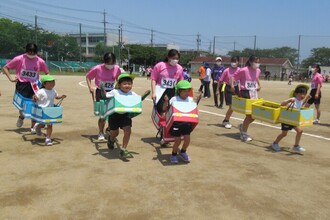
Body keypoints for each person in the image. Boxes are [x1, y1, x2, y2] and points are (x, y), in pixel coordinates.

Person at [3, 43, 49, 133]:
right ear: (26, 51)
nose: (31, 54)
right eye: (29, 52)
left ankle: (33, 126)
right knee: (23, 107)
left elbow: (47, 72)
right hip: (22, 85)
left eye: (33, 52)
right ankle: (21, 116)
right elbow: (5, 68)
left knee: (35, 105)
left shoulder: (40, 61)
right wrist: (11, 79)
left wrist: (46, 84)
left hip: (35, 85)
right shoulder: (19, 59)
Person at [86, 52, 121, 140]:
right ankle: (100, 132)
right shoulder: (97, 68)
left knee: (112, 113)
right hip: (101, 92)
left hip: (112, 92)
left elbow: (119, 79)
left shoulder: (117, 68)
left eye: (112, 63)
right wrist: (90, 87)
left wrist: (119, 87)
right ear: (104, 62)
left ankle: (109, 129)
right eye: (108, 63)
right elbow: (88, 77)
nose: (110, 65)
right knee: (103, 114)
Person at [162, 80, 196, 164]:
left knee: (187, 139)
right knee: (177, 140)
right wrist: (166, 101)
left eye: (188, 91)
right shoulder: (174, 99)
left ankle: (183, 151)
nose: (187, 93)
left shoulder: (190, 100)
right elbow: (165, 109)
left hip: (187, 122)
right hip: (176, 123)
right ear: (179, 91)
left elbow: (193, 110)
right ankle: (173, 155)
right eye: (184, 91)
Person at [105, 73, 138, 158]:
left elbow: (138, 100)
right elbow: (106, 96)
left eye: (129, 83)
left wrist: (143, 97)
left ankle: (123, 149)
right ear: (119, 85)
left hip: (125, 115)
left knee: (128, 130)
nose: (127, 85)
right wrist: (102, 91)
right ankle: (111, 139)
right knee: (115, 133)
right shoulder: (115, 92)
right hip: (114, 115)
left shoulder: (132, 93)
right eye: (125, 83)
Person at [271, 85, 309, 152]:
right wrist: (289, 101)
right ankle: (275, 143)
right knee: (284, 134)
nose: (303, 95)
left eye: (304, 94)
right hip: (287, 119)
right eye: (302, 93)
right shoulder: (293, 99)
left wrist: (307, 99)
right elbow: (282, 104)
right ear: (296, 93)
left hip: (293, 120)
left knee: (300, 131)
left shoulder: (300, 101)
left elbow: (301, 105)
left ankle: (296, 146)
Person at [232, 55, 261, 142]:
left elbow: (256, 78)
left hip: (253, 93)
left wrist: (259, 85)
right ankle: (243, 133)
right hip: (245, 92)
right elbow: (233, 77)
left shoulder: (258, 70)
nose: (257, 64)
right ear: (251, 62)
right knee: (250, 115)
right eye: (256, 62)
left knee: (254, 115)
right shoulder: (244, 70)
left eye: (258, 62)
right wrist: (233, 85)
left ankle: (242, 126)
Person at [33, 75, 66, 146]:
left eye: (53, 82)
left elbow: (56, 97)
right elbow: (35, 99)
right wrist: (34, 98)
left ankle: (48, 138)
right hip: (42, 110)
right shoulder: (41, 91)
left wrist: (61, 96)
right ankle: (38, 127)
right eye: (50, 82)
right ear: (44, 84)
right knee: (42, 124)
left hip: (50, 110)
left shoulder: (53, 91)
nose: (52, 83)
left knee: (50, 125)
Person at [150, 49, 183, 114]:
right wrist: (154, 92)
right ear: (168, 57)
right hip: (160, 91)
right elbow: (153, 79)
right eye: (173, 58)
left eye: (177, 58)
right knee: (161, 111)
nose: (175, 60)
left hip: (173, 91)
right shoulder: (160, 65)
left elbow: (180, 82)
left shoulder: (179, 68)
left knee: (171, 112)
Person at [217, 56, 240, 129]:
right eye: (232, 61)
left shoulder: (240, 70)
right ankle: (226, 120)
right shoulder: (226, 70)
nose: (234, 63)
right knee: (232, 106)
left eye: (235, 61)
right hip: (228, 88)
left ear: (238, 62)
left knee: (235, 106)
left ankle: (227, 119)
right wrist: (217, 90)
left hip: (236, 88)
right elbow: (220, 80)